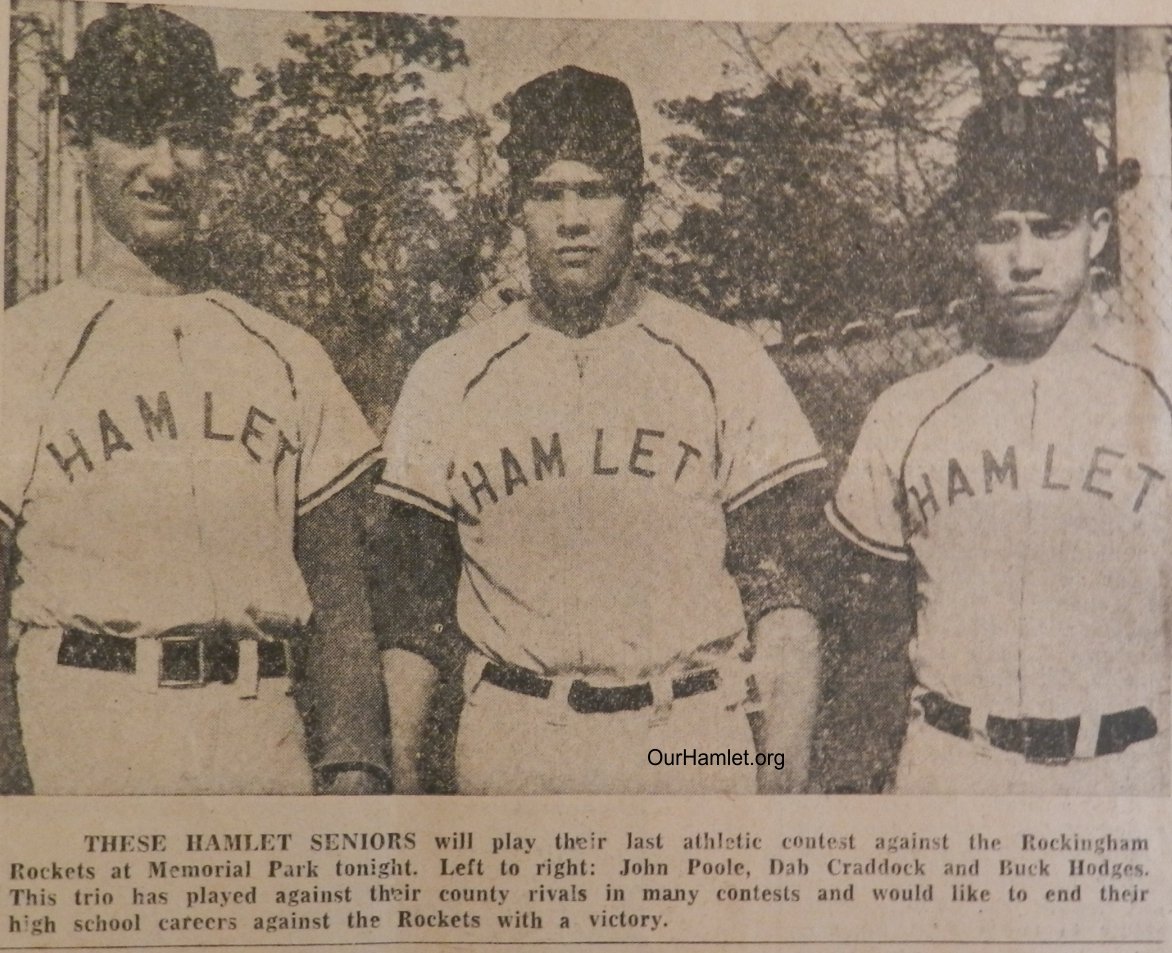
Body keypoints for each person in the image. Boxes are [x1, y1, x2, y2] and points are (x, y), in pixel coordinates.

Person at [370, 65, 827, 795]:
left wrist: (782, 763)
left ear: (636, 202)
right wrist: (398, 766)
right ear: (516, 207)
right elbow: (412, 602)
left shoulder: (722, 359)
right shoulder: (450, 374)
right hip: (514, 735)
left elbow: (783, 583)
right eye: (547, 193)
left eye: (596, 190)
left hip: (687, 734)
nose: (572, 218)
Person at [0, 5, 387, 795]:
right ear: (80, 144)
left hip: (259, 728)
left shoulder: (286, 353)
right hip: (84, 724)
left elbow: (342, 599)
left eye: (190, 135)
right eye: (135, 133)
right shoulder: (23, 349)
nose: (165, 165)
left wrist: (355, 763)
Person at [828, 95, 1170, 795]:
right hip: (953, 763)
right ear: (963, 236)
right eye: (998, 230)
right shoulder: (908, 411)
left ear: (1097, 231)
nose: (1023, 260)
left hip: (1126, 767)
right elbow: (863, 635)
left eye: (1050, 228)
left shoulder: (1158, 388)